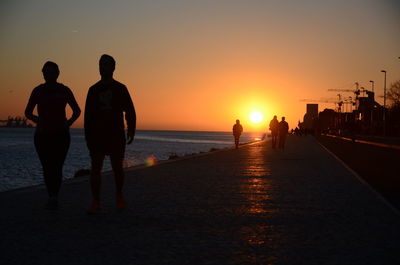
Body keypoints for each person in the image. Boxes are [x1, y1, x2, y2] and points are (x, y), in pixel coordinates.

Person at [25, 61, 81, 209]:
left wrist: (68, 123)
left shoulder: (64, 90)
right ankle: (51, 196)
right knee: (46, 166)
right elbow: (28, 112)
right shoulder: (37, 91)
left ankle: (54, 196)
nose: (48, 75)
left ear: (57, 74)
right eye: (46, 72)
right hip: (42, 135)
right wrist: (38, 120)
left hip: (61, 135)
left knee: (57, 166)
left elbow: (77, 110)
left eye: (51, 72)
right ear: (42, 73)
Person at [84, 54, 136, 213]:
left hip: (116, 134)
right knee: (96, 168)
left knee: (117, 168)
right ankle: (96, 201)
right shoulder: (93, 90)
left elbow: (130, 110)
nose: (102, 67)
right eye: (100, 64)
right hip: (98, 135)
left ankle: (119, 196)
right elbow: (88, 116)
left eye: (106, 64)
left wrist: (131, 129)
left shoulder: (120, 88)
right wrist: (88, 136)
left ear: (113, 68)